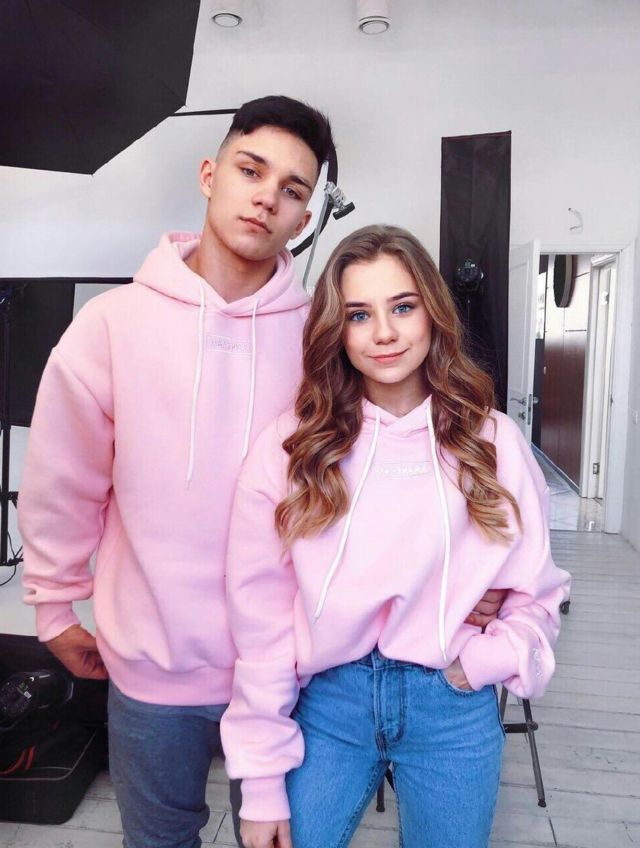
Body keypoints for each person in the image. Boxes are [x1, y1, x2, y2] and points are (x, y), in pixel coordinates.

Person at [18, 95, 331, 848]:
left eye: (292, 189)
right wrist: (54, 605)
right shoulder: (110, 324)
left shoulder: (323, 338)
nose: (267, 197)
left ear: (303, 217)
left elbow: (376, 477)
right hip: (152, 668)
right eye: (251, 170)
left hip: (292, 671)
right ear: (209, 174)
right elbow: (63, 479)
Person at [221, 224, 572, 848]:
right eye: (359, 314)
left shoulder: (493, 442)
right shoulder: (291, 448)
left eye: (403, 307)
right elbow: (261, 625)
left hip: (450, 705)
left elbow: (537, 593)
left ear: (433, 313)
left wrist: (482, 663)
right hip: (328, 703)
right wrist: (262, 782)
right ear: (337, 330)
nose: (384, 332)